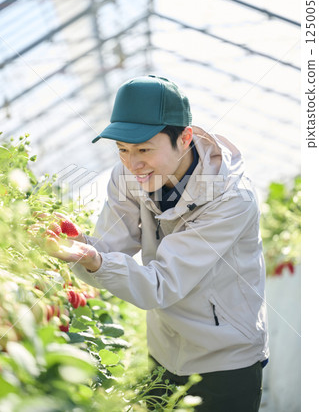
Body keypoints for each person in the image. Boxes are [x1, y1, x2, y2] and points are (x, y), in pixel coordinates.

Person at [42, 75, 269, 411]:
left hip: (225, 360)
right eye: (122, 150)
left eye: (144, 149)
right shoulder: (131, 176)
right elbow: (108, 249)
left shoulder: (231, 199)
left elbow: (162, 283)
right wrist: (78, 244)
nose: (133, 164)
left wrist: (94, 260)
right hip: (164, 350)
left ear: (185, 138)